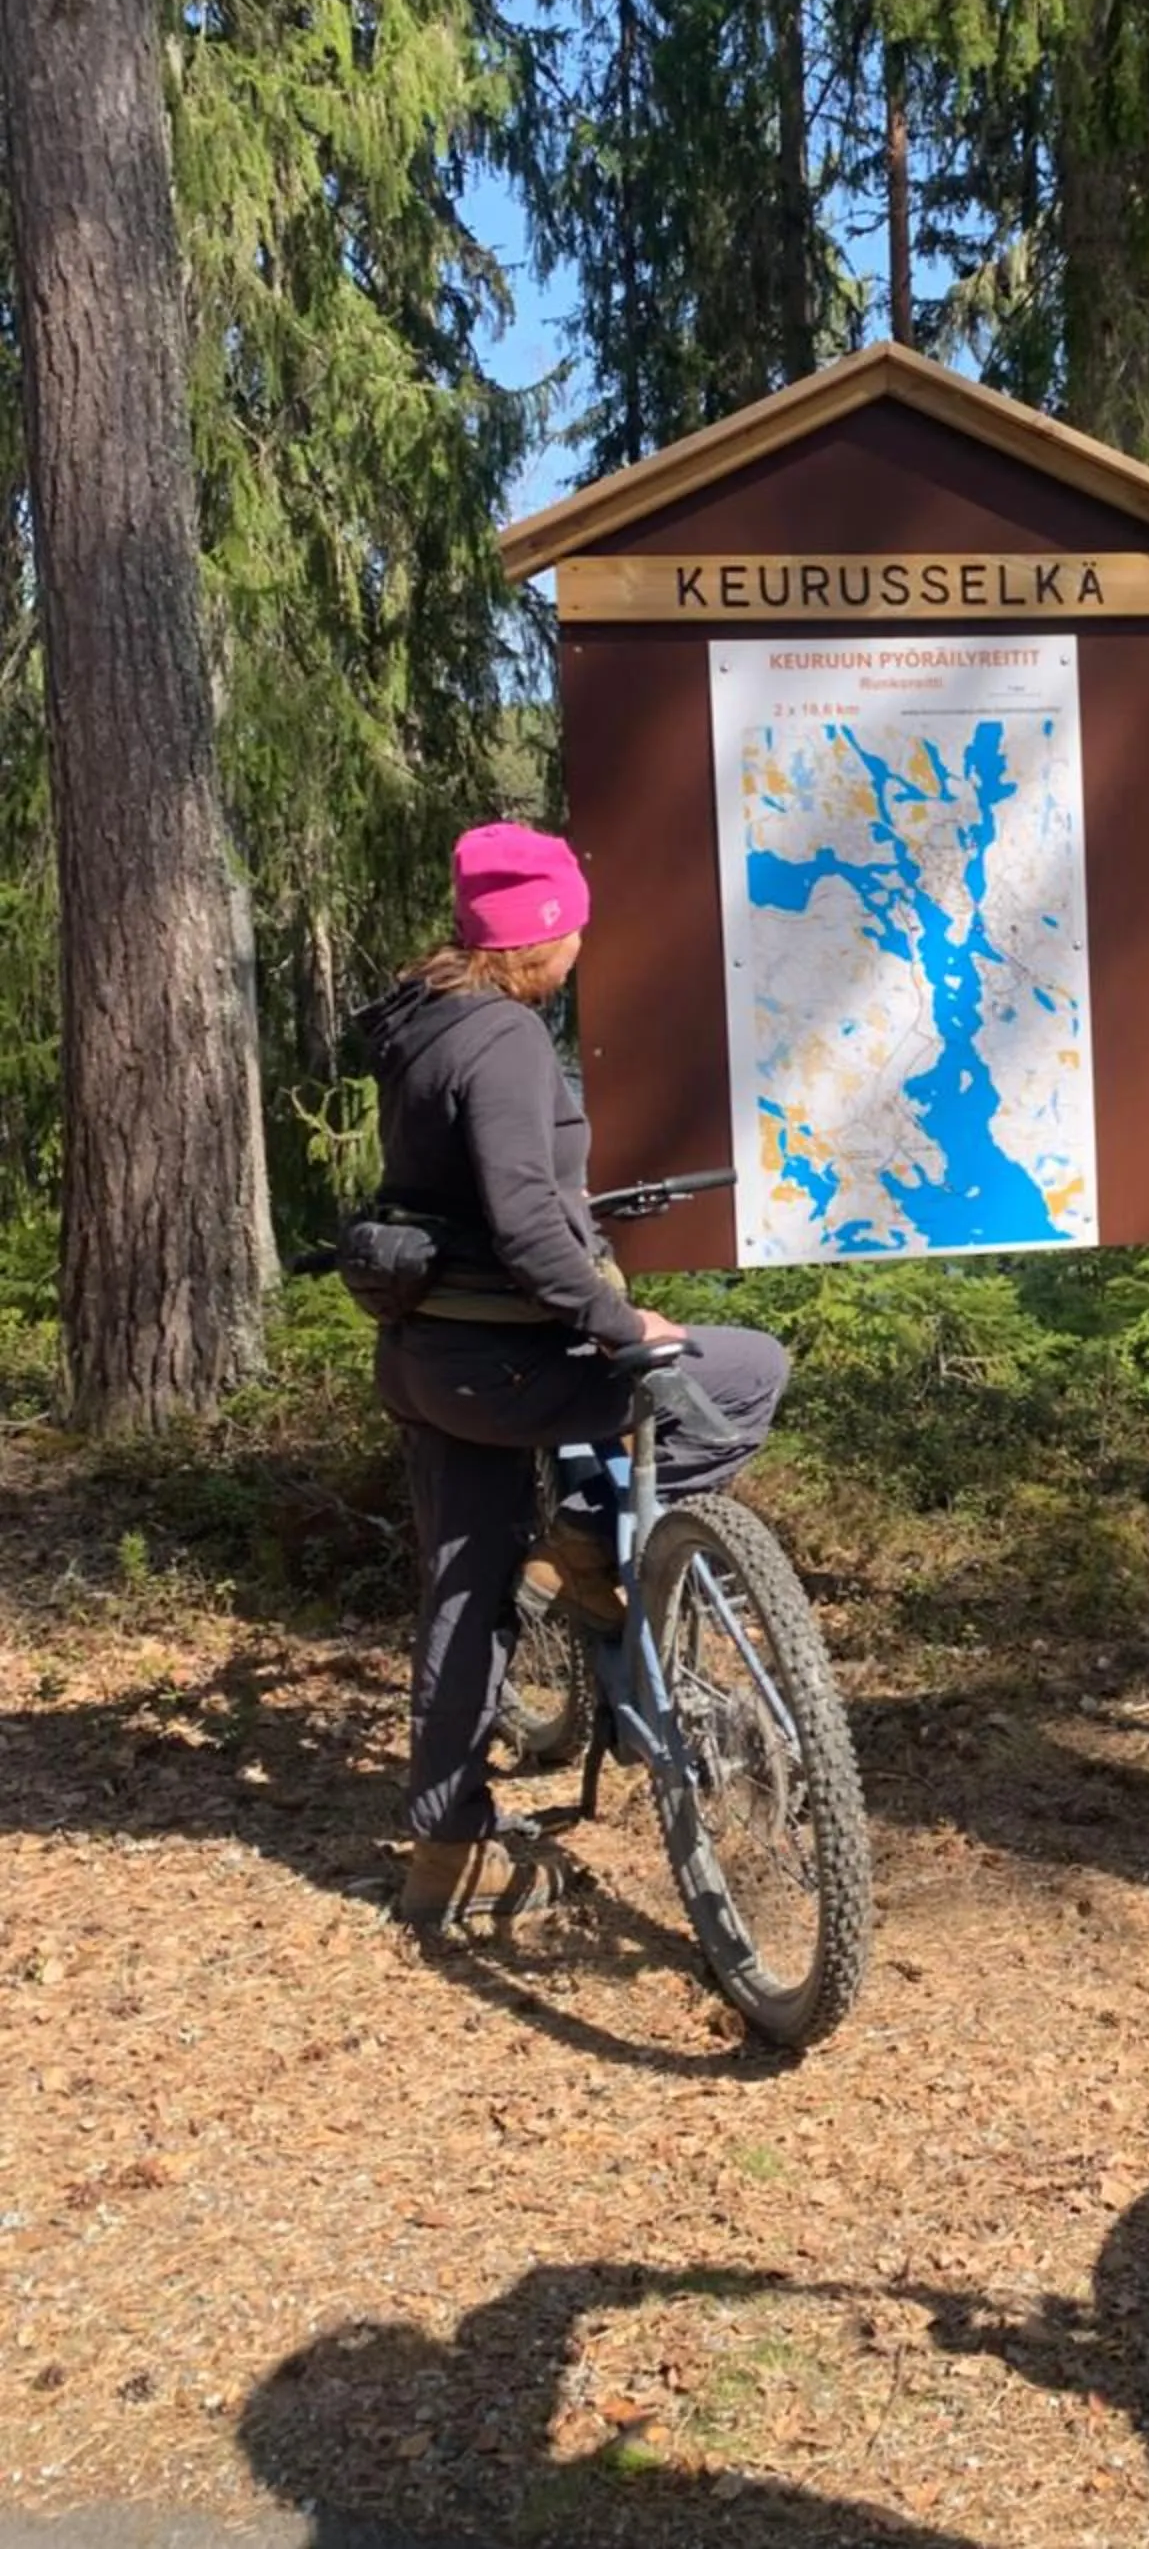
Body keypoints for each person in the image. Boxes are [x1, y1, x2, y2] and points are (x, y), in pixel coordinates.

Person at [360, 822, 790, 1930]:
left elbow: (469, 1198)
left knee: (462, 1589)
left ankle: (445, 1848)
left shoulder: (421, 1025)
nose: (584, 940)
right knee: (742, 1370)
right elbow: (520, 1222)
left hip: (429, 1359)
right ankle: (592, 1541)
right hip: (506, 1364)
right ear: (543, 935)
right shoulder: (503, 1039)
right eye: (576, 922)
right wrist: (614, 1318)